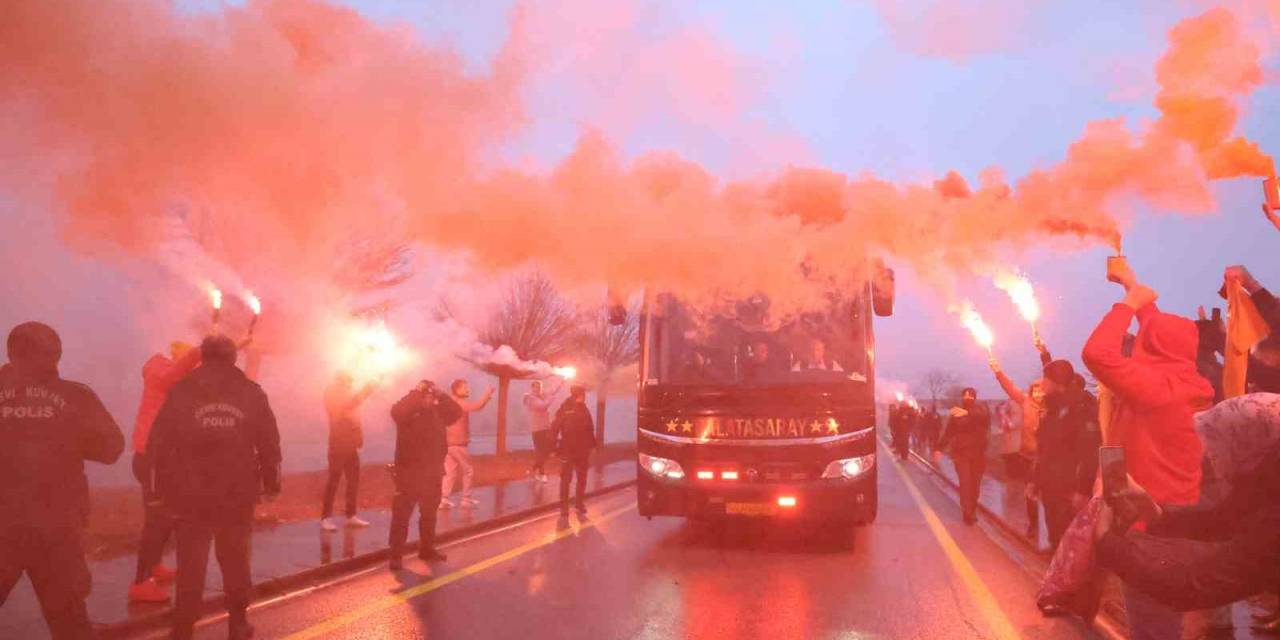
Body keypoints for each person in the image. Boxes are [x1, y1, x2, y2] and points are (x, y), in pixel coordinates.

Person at [1082, 268, 1215, 640]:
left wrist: (1127, 304)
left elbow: (1096, 352)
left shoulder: (1155, 388)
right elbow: (1160, 332)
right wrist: (1132, 285)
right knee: (1163, 617)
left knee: (1152, 626)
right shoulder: (1182, 380)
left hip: (1146, 526)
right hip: (1175, 517)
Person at [148, 335, 281, 640]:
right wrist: (271, 483)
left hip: (190, 493)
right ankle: (237, 624)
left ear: (202, 358)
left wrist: (158, 490)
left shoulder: (182, 391)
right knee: (235, 559)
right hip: (237, 492)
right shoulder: (251, 392)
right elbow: (269, 443)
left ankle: (182, 629)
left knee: (191, 562)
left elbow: (160, 443)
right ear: (233, 358)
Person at [0, 322, 125, 639]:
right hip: (57, 528)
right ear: (56, 355)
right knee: (69, 623)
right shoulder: (75, 396)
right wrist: (64, 437)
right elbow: (111, 448)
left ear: (11, 352)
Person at [128, 340, 201, 603]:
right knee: (156, 522)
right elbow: (174, 374)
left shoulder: (180, 382)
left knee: (165, 517)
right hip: (153, 459)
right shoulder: (160, 372)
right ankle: (140, 583)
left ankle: (154, 567)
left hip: (164, 461)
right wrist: (200, 349)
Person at [388, 380, 462, 569]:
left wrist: (441, 394)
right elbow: (395, 411)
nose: (430, 399)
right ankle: (396, 556)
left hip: (432, 471)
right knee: (401, 516)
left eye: (431, 396)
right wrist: (416, 392)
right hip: (409, 471)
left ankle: (427, 549)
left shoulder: (437, 412)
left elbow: (456, 412)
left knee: (429, 514)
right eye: (427, 396)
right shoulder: (408, 411)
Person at [1028, 360, 1099, 550]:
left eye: (1045, 379)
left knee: (1070, 542)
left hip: (1069, 489)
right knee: (1056, 536)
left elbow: (1089, 452)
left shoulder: (1080, 407)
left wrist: (1082, 490)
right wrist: (1035, 481)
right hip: (1051, 486)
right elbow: (1044, 449)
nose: (1041, 383)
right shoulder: (1052, 408)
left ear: (1056, 382)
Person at [989, 350, 1048, 540]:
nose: (1038, 393)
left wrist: (1044, 353)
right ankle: (1033, 524)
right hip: (1027, 456)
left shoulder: (1051, 406)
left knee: (1047, 495)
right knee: (1029, 492)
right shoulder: (1025, 402)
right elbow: (1010, 388)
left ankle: (1051, 528)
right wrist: (998, 371)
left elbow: (1052, 373)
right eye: (1035, 390)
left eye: (1041, 389)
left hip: (1047, 459)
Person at [320, 371, 377, 532]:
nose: (351, 385)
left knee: (353, 480)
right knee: (334, 480)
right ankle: (325, 518)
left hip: (350, 444)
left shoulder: (343, 393)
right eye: (349, 382)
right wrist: (368, 389)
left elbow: (354, 414)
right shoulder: (332, 394)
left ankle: (350, 515)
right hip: (338, 444)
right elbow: (348, 406)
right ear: (341, 382)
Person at [934, 387, 990, 525]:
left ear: (975, 398)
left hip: (978, 454)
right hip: (961, 454)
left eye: (970, 396)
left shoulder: (981, 410)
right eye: (965, 396)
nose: (967, 398)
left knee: (975, 486)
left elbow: (983, 416)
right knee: (965, 484)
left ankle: (972, 508)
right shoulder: (956, 415)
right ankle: (968, 513)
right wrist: (939, 448)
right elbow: (948, 432)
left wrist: (967, 412)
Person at [440, 379, 494, 509]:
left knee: (449, 473)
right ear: (457, 390)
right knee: (468, 471)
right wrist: (487, 394)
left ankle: (444, 499)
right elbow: (477, 406)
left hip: (447, 445)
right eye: (465, 387)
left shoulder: (448, 404)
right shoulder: (459, 404)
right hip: (459, 444)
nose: (468, 390)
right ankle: (466, 499)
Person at [554, 386, 597, 517]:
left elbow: (590, 428)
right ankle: (565, 507)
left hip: (580, 450)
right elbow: (555, 427)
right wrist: (553, 447)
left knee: (580, 478)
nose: (584, 397)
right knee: (567, 479)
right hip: (569, 449)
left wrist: (592, 446)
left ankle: (578, 504)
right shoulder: (566, 408)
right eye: (583, 394)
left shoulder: (583, 409)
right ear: (579, 394)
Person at [523, 379, 562, 483]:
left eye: (540, 387)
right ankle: (541, 473)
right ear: (532, 388)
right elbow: (542, 406)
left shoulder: (541, 396)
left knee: (546, 450)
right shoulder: (530, 398)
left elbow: (553, 390)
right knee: (541, 451)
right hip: (537, 429)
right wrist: (551, 398)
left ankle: (535, 469)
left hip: (545, 428)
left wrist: (563, 379)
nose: (539, 389)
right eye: (536, 387)